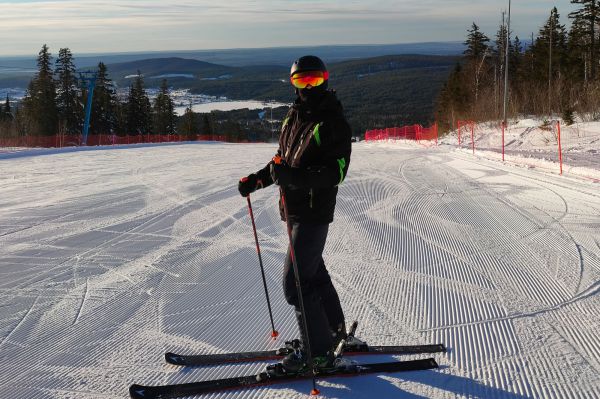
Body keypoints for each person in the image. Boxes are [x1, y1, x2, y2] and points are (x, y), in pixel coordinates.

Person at [238, 55, 352, 373]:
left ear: (325, 80)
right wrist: (258, 179)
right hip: (295, 210)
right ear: (293, 84)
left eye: (313, 80)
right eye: (301, 81)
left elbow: (336, 172)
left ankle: (318, 355)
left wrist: (294, 179)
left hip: (315, 212)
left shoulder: (332, 122)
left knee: (296, 284)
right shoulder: (293, 117)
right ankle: (334, 335)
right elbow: (281, 162)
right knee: (313, 274)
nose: (307, 87)